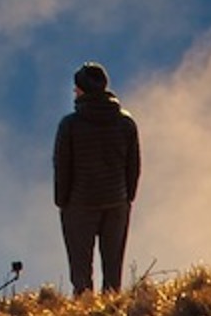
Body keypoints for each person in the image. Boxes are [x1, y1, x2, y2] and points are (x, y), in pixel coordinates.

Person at [53, 62, 141, 295]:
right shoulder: (126, 123)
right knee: (113, 269)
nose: (74, 91)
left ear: (82, 91)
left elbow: (62, 167)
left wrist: (62, 202)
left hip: (80, 205)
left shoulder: (70, 125)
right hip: (117, 202)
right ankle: (112, 307)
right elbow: (133, 165)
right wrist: (127, 197)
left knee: (81, 272)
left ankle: (84, 307)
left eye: (77, 88)